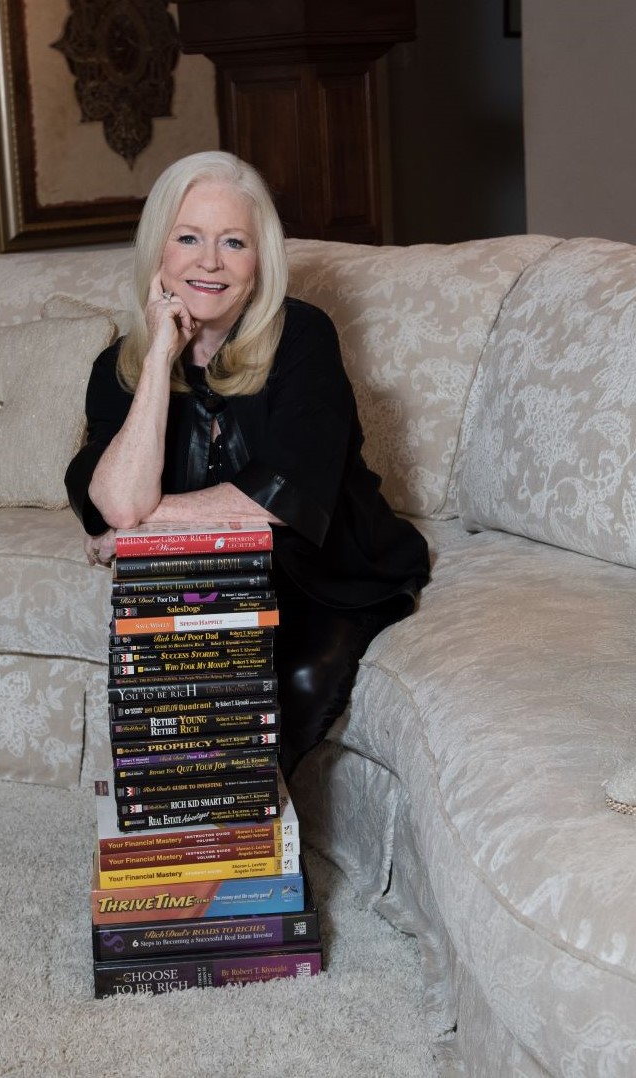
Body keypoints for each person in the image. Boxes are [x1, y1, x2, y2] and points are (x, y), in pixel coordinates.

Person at [65, 150, 430, 779]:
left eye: (233, 242)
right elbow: (118, 499)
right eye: (188, 238)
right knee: (177, 697)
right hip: (210, 575)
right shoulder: (119, 367)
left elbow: (280, 496)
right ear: (157, 252)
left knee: (292, 682)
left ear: (260, 261)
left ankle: (246, 837)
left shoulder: (303, 338)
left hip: (326, 574)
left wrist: (142, 527)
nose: (209, 262)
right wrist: (158, 358)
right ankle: (197, 830)